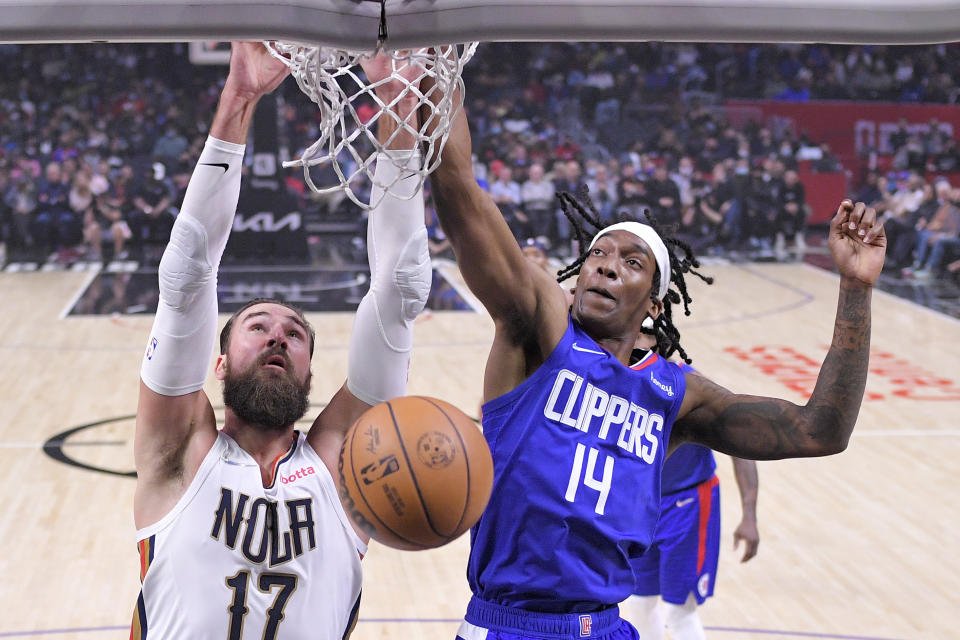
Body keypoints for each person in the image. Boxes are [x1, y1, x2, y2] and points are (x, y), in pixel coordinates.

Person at [422, 70, 885, 640]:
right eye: (597, 253)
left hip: (609, 628)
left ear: (656, 306)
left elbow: (821, 430)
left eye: (631, 262)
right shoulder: (538, 335)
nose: (606, 265)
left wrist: (856, 289)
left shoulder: (677, 394)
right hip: (510, 625)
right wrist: (441, 76)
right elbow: (460, 192)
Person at [131, 43, 432, 639]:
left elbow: (401, 287)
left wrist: (398, 100)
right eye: (258, 326)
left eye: (295, 334)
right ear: (217, 364)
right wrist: (239, 96)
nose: (277, 337)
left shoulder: (346, 469)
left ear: (310, 374)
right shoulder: (178, 455)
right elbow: (187, 271)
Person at [620, 329, 759, 640]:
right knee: (639, 604)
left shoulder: (692, 386)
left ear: (654, 339)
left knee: (679, 611)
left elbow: (741, 445)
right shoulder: (617, 379)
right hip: (642, 506)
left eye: (636, 334)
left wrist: (749, 515)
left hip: (688, 507)